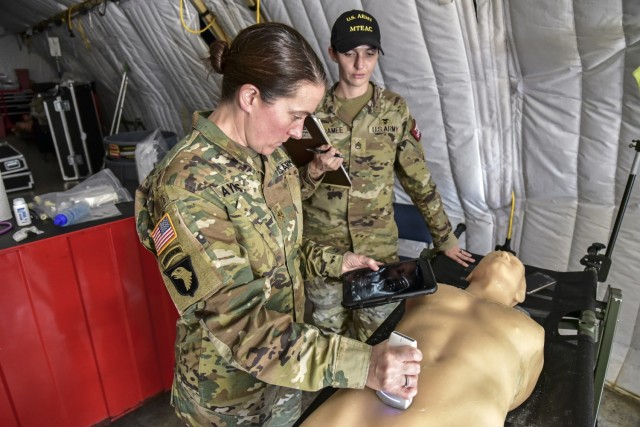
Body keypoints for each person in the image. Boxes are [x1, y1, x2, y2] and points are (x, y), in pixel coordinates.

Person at [135, 23, 422, 427]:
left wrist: (335, 262)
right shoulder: (186, 185)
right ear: (250, 96)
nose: (298, 132)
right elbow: (239, 324)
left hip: (285, 381)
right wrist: (366, 365)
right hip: (227, 400)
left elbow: (284, 250)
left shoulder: (272, 158)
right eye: (295, 115)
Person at [300, 9, 475, 341]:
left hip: (375, 253)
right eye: (350, 53)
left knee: (376, 338)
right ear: (332, 53)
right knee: (328, 340)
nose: (360, 64)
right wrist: (314, 170)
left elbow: (417, 178)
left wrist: (445, 237)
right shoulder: (311, 111)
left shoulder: (394, 109)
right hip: (325, 253)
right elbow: (289, 190)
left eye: (369, 54)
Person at [300, 250, 545, 427]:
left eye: (514, 264)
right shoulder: (429, 290)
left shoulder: (533, 331)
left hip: (461, 413)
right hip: (375, 392)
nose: (504, 255)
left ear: (520, 293)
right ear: (471, 273)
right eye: (494, 254)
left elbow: (517, 391)